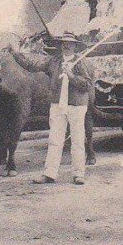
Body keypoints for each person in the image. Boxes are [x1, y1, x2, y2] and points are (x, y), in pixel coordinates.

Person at [11, 33, 95, 185]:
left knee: (77, 140)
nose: (66, 45)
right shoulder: (53, 61)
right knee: (55, 140)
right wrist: (15, 54)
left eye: (70, 43)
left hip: (76, 105)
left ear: (75, 46)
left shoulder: (82, 62)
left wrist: (71, 76)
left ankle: (78, 174)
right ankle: (49, 174)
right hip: (57, 105)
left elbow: (87, 85)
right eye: (63, 43)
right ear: (60, 45)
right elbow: (32, 65)